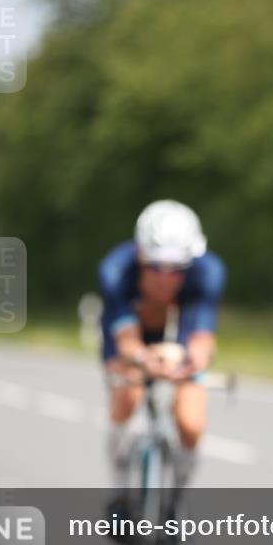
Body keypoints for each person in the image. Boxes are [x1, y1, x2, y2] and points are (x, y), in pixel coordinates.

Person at [98, 199, 226, 515]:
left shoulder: (208, 272)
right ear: (140, 254)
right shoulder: (115, 271)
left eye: (177, 269)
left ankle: (176, 503)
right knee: (128, 396)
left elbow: (202, 340)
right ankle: (120, 494)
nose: (165, 278)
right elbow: (126, 342)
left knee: (191, 422)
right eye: (156, 266)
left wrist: (190, 359)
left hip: (178, 340)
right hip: (132, 340)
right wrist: (142, 358)